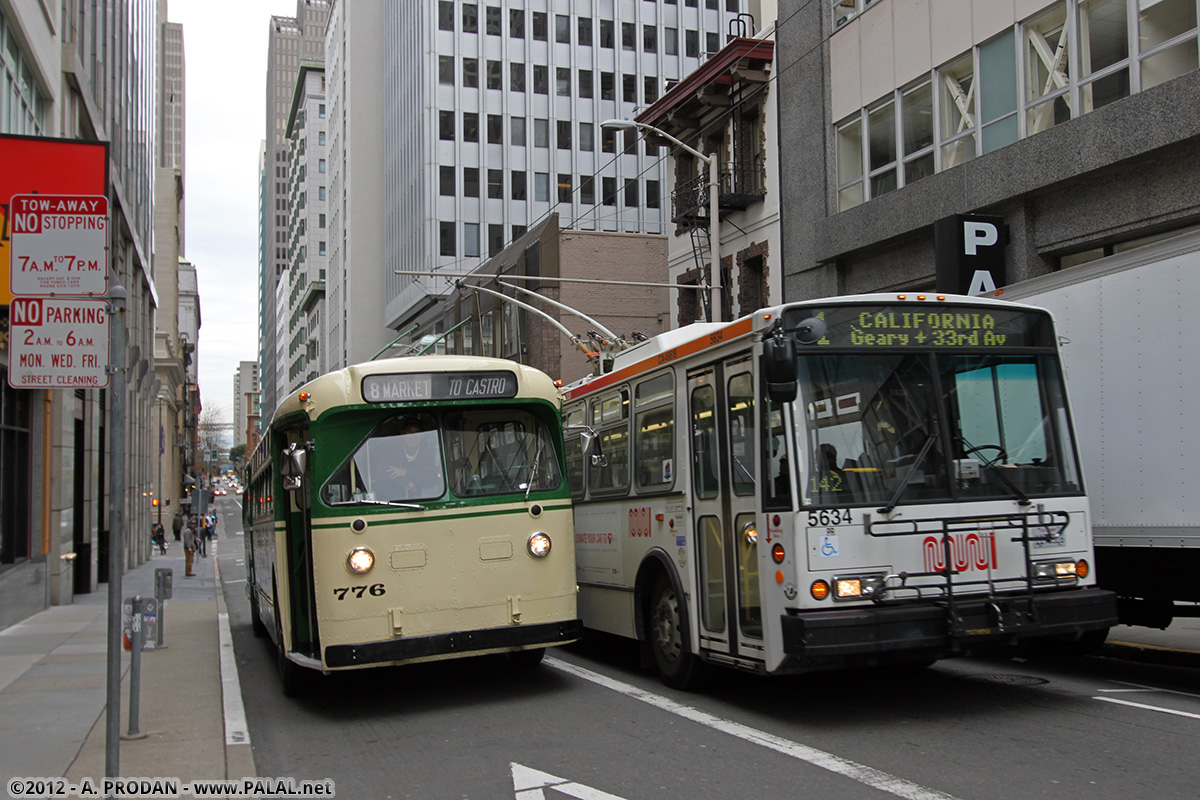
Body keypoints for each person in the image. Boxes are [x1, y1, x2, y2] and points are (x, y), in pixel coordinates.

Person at [377, 418, 444, 500]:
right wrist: (407, 482)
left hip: (419, 501)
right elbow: (384, 475)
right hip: (391, 500)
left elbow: (431, 479)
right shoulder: (390, 451)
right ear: (402, 433)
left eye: (417, 433)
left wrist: (406, 472)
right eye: (409, 432)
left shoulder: (426, 453)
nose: (413, 437)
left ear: (422, 435)